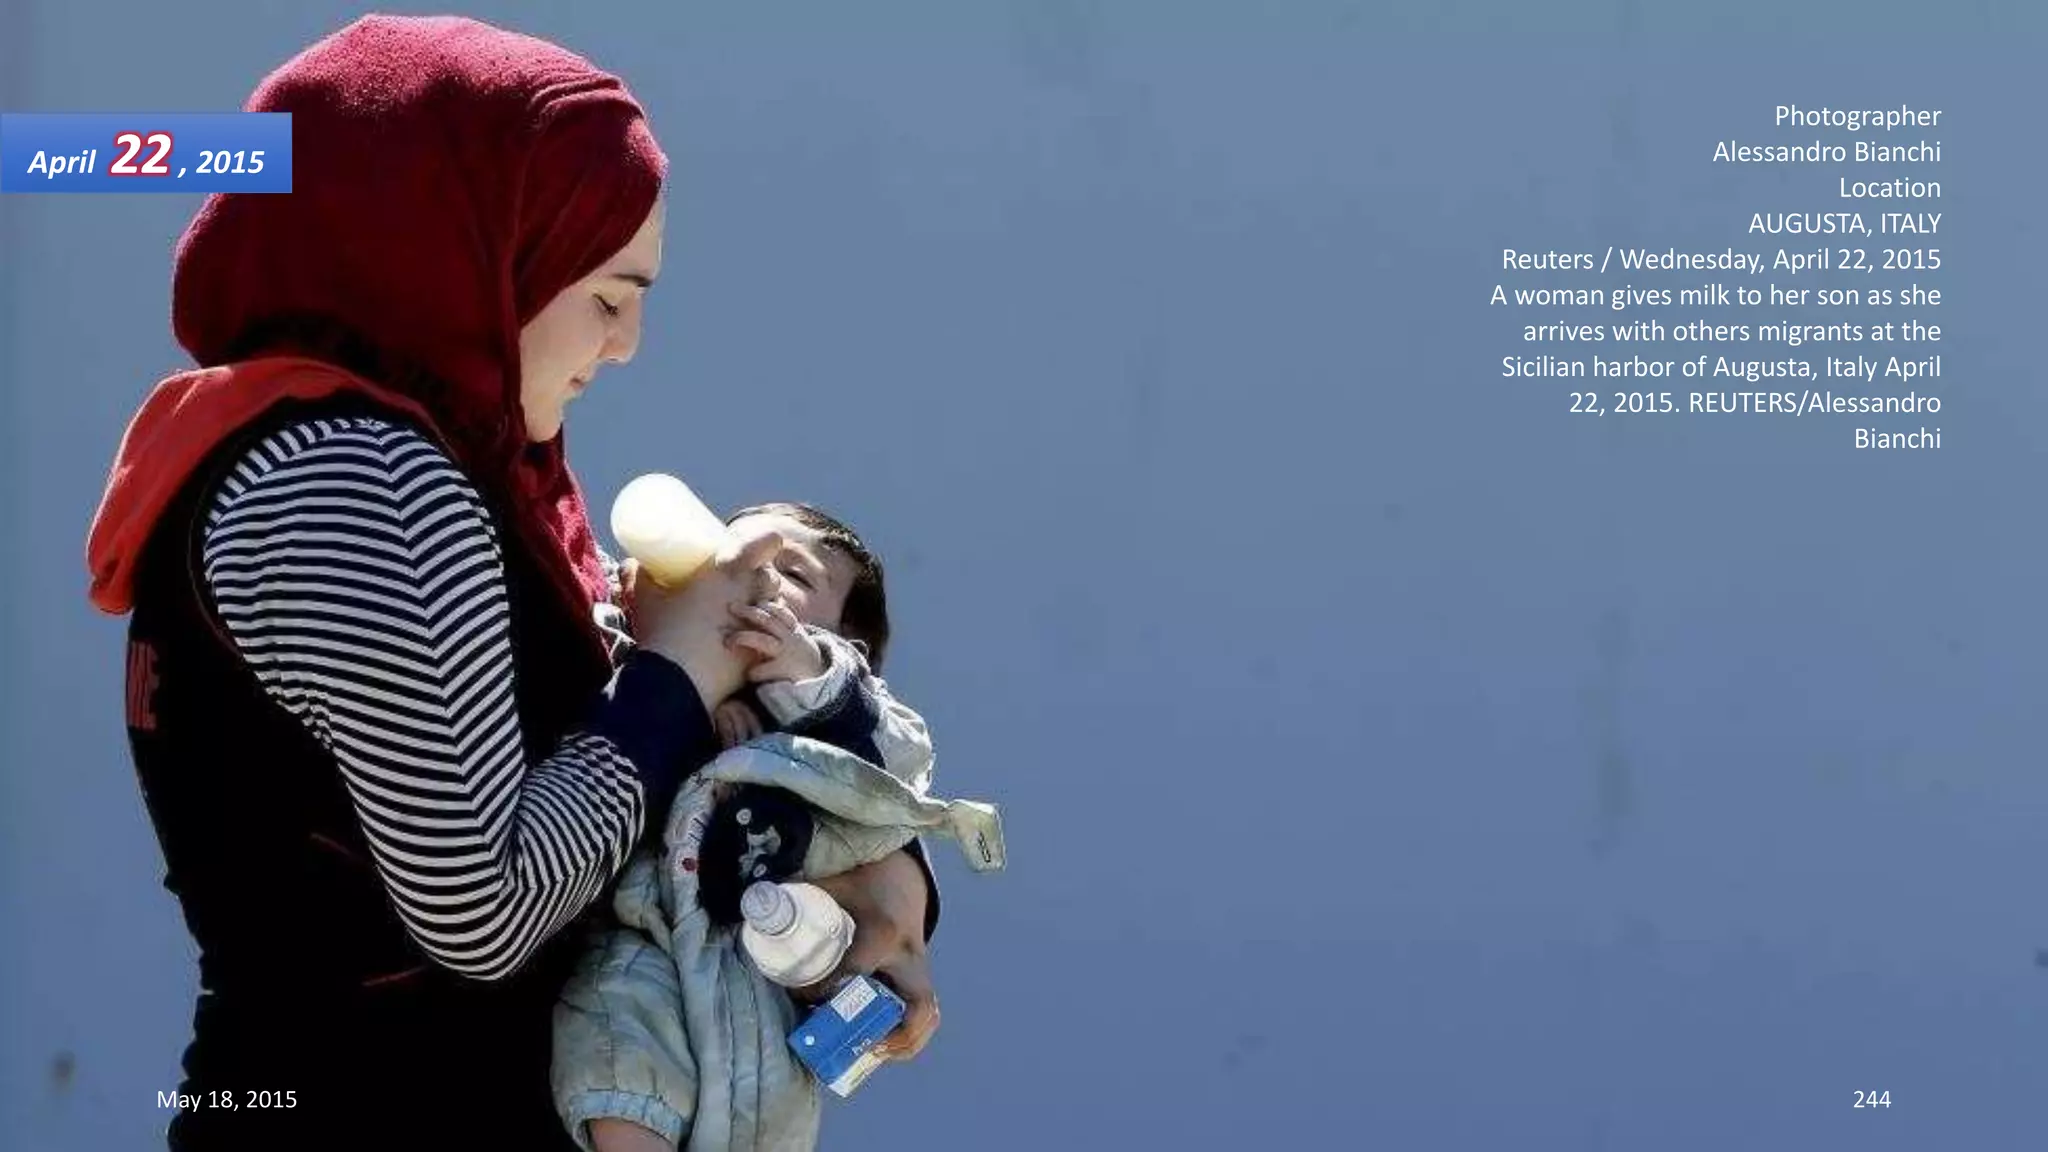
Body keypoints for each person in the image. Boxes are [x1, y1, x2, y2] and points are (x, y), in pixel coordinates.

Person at [82, 15, 937, 1151]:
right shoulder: (361, 482)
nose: (628, 341)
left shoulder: (414, 460)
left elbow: (594, 803)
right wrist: (677, 670)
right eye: (609, 291)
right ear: (481, 244)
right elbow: (485, 912)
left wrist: (883, 875)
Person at [573, 502, 939, 1152]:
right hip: (642, 933)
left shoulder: (836, 714)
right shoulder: (649, 650)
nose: (759, 579)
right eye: (742, 553)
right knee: (617, 1056)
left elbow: (899, 776)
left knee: (768, 1107)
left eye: (792, 574)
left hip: (756, 967)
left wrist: (808, 672)